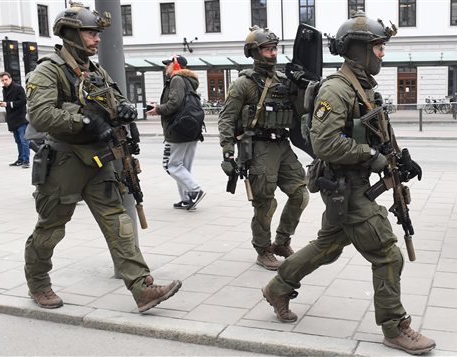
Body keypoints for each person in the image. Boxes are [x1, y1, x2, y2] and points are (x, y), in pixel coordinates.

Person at [261, 11, 435, 355]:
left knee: (327, 246)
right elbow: (324, 143)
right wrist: (373, 158)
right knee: (388, 254)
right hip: (347, 187)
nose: (383, 54)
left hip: (350, 183)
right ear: (359, 50)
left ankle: (278, 287)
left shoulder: (360, 87)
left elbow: (372, 133)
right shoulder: (337, 89)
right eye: (379, 47)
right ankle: (394, 326)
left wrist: (399, 159)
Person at [24, 2, 181, 312]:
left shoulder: (95, 70)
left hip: (98, 161)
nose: (97, 39)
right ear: (71, 34)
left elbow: (116, 99)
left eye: (97, 34)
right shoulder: (49, 69)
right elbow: (40, 114)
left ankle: (142, 288)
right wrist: (84, 120)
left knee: (118, 223)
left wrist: (123, 109)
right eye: (91, 33)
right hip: (64, 164)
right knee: (50, 229)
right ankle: (38, 282)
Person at [218, 26, 309, 270]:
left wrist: (301, 88)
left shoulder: (283, 81)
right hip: (258, 147)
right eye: (267, 49)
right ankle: (263, 249)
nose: (273, 53)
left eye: (274, 48)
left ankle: (281, 241)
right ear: (254, 52)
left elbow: (301, 112)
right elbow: (226, 118)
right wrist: (228, 152)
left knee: (300, 193)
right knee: (265, 202)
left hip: (282, 144)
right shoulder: (243, 84)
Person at [146, 55, 206, 210]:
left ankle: (195, 190)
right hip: (191, 128)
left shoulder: (177, 79)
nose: (166, 67)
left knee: (170, 165)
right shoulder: (188, 81)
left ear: (177, 65)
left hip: (177, 129)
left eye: (169, 64)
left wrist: (158, 109)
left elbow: (174, 103)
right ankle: (187, 198)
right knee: (184, 167)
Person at [0, 72, 30, 168]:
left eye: (6, 79)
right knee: (18, 141)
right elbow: (8, 102)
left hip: (21, 118)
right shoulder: (4, 90)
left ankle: (26, 161)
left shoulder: (18, 88)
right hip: (12, 119)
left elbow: (23, 101)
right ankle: (20, 159)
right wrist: (2, 103)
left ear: (10, 78)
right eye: (2, 80)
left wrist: (7, 104)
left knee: (24, 141)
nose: (4, 82)